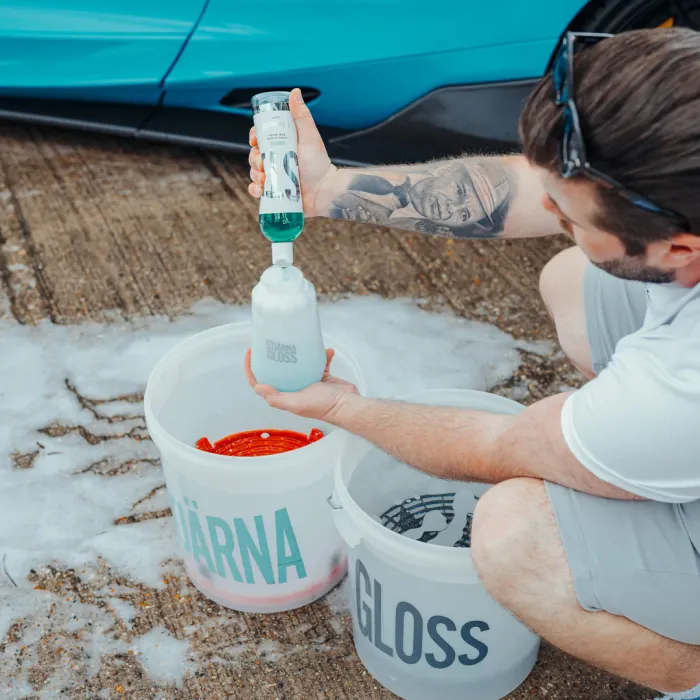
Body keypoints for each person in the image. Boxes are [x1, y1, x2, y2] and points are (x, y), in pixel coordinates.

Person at [246, 28, 700, 699]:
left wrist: (343, 407)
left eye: (567, 215)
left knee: (514, 532)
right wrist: (329, 187)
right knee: (575, 280)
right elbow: (527, 188)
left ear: (680, 249)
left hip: (674, 412)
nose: (548, 212)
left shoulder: (681, 384)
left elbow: (499, 447)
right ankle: (643, 469)